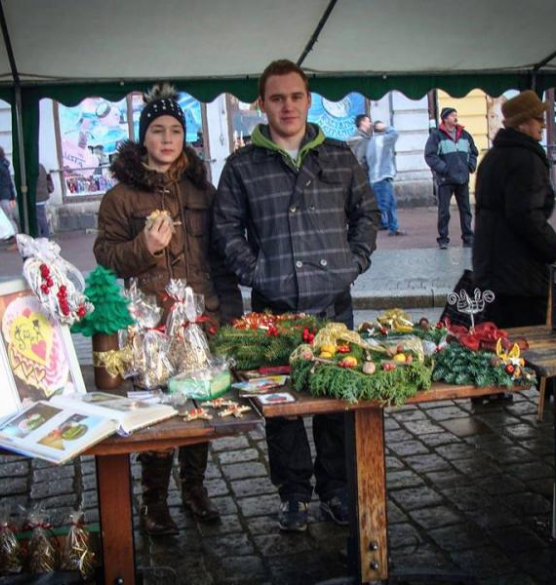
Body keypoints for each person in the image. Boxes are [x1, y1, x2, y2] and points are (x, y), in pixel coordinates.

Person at [213, 59, 380, 532]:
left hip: (334, 305)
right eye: (277, 98)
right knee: (282, 406)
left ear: (308, 100)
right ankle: (293, 494)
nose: (287, 106)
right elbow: (225, 231)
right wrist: (259, 273)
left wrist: (354, 262)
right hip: (275, 311)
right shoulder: (242, 166)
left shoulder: (340, 155)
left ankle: (338, 488)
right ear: (262, 104)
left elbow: (366, 215)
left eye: (295, 96)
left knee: (337, 397)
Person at [93, 83, 242, 537]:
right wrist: (145, 246)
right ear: (144, 138)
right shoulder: (120, 198)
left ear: (184, 137)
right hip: (152, 326)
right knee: (158, 414)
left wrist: (228, 312)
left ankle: (194, 488)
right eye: (157, 130)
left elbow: (219, 254)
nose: (166, 139)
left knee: (200, 407)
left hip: (201, 319)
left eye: (175, 130)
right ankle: (153, 501)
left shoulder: (202, 190)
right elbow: (105, 255)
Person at [473, 90, 556, 327]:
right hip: (519, 277)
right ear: (522, 124)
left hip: (494, 270)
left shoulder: (493, 157)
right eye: (538, 119)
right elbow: (526, 215)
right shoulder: (525, 160)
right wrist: (553, 246)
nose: (543, 124)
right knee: (525, 347)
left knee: (499, 345)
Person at [424, 107, 478, 249]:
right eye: (453, 115)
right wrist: (443, 168)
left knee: (466, 210)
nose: (456, 117)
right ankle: (443, 239)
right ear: (445, 118)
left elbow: (473, 152)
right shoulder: (436, 136)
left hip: (462, 179)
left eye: (456, 114)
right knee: (444, 211)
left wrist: (471, 166)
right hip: (445, 180)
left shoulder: (465, 135)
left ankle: (468, 237)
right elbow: (430, 155)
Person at [366, 121, 405, 236]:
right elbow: (395, 134)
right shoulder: (382, 140)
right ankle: (368, 229)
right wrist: (386, 127)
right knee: (382, 205)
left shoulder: (372, 141)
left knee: (390, 203)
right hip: (381, 177)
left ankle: (393, 228)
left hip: (377, 177)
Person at [35, 163, 53, 238]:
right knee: (42, 216)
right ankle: (45, 235)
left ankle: (45, 236)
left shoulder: (34, 168)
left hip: (38, 195)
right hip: (42, 194)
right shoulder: (40, 166)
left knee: (40, 217)